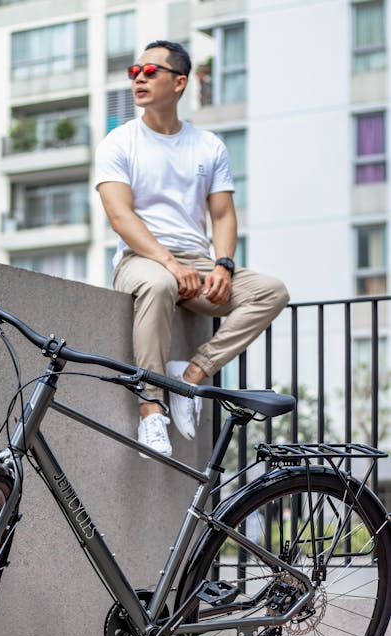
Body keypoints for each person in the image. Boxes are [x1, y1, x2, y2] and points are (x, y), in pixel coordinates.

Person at [95, 40, 289, 457]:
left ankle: (192, 376)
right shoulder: (119, 141)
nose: (139, 79)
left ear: (179, 82)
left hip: (198, 263)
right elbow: (120, 216)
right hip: (141, 260)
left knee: (271, 291)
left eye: (151, 72)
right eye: (135, 72)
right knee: (160, 284)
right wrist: (166, 262)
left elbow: (222, 215)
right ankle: (151, 408)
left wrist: (222, 266)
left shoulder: (209, 146)